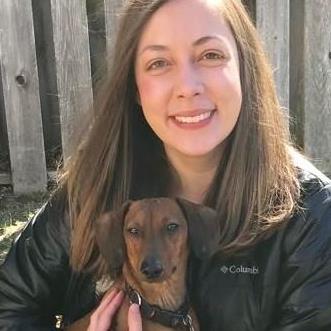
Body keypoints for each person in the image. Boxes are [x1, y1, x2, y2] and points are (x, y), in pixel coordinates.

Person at [1, 0, 331, 330]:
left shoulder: (310, 216)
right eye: (158, 63)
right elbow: (10, 307)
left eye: (210, 55)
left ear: (246, 69)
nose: (188, 87)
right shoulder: (93, 188)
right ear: (134, 87)